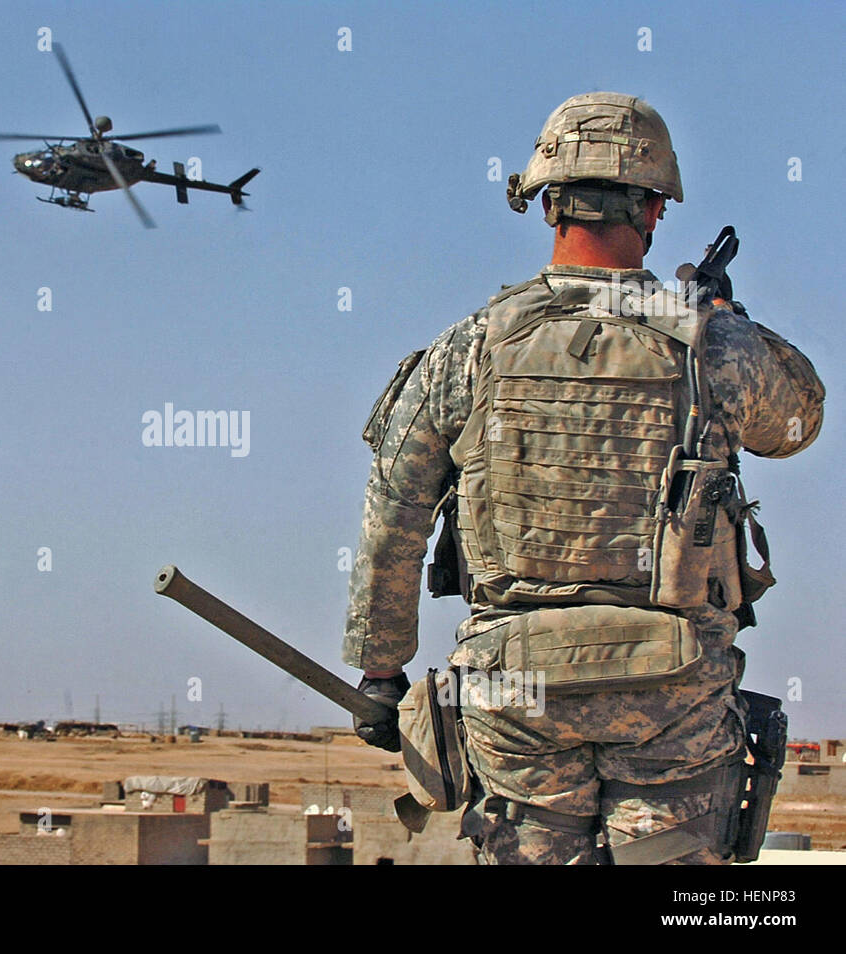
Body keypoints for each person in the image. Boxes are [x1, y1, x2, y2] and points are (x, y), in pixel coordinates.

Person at [343, 92, 825, 864]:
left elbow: (393, 517)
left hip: (517, 696)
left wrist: (380, 670)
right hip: (673, 693)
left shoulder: (470, 348)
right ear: (655, 209)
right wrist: (728, 318)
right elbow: (798, 423)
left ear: (546, 205)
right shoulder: (709, 344)